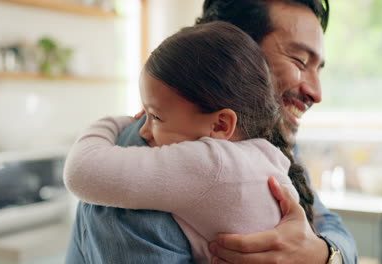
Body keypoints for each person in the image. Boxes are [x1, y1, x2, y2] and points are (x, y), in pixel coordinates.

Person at [65, 0, 358, 263]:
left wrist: (322, 255)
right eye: (300, 61)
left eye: (318, 68)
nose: (316, 92)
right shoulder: (142, 157)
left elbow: (333, 228)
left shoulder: (265, 142)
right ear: (235, 52)